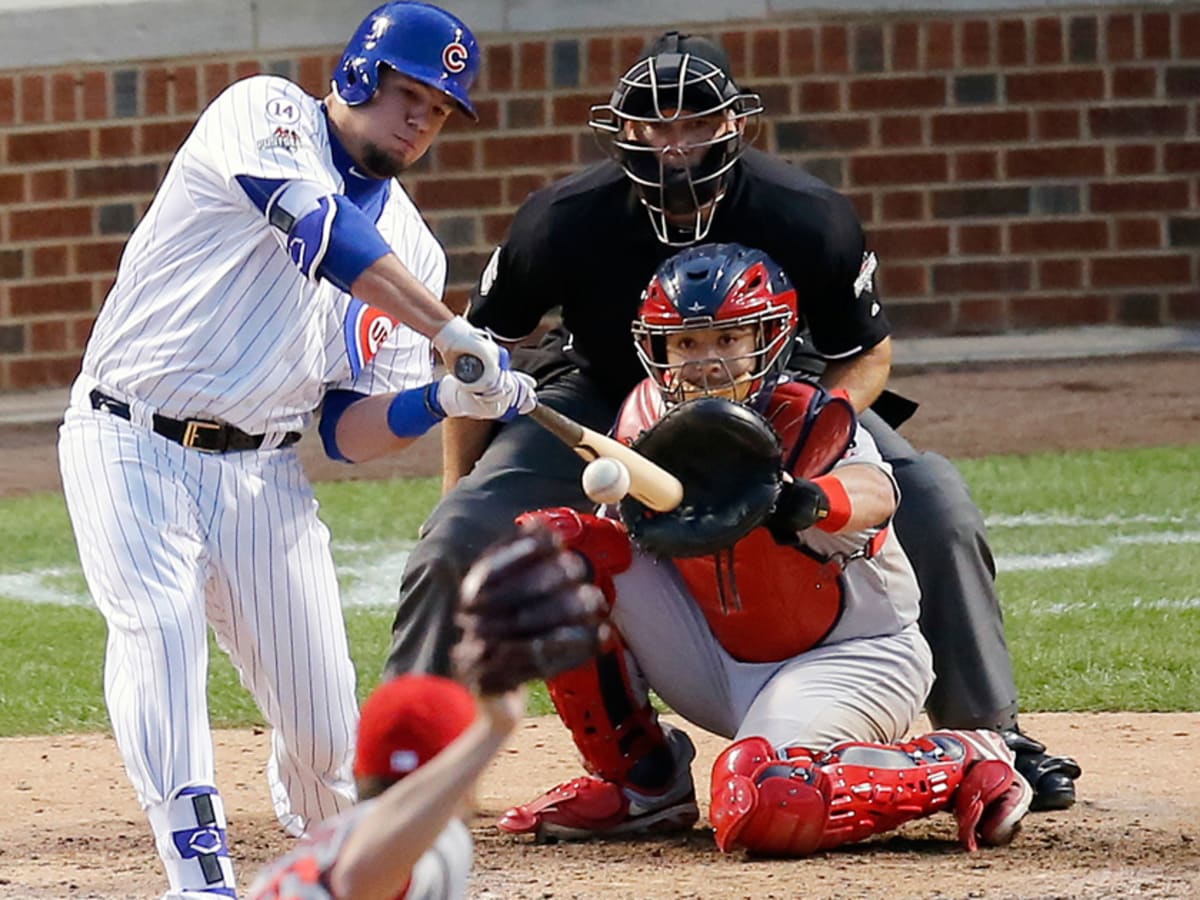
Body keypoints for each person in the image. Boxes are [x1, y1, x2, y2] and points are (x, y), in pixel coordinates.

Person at [382, 28, 1080, 812]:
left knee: (938, 501)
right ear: (623, 131)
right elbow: (482, 358)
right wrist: (455, 488)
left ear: (735, 125)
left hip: (775, 393)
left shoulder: (806, 213)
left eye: (693, 123)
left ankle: (992, 735)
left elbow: (868, 352)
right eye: (654, 125)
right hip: (603, 396)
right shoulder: (562, 218)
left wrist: (818, 431)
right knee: (457, 536)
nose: (673, 145)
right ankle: (413, 756)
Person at [56, 4, 536, 898]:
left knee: (324, 733)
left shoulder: (417, 254)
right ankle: (197, 879)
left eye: (438, 109)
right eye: (407, 93)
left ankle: (330, 847)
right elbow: (324, 238)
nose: (419, 119)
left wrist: (443, 394)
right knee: (159, 634)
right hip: (129, 435)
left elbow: (343, 435)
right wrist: (450, 333)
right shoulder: (263, 112)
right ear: (357, 75)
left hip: (263, 472)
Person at [500, 242, 1032, 854]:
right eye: (688, 344)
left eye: (728, 341)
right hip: (714, 650)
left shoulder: (812, 420)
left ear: (768, 339)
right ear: (659, 350)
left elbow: (876, 494)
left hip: (850, 656)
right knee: (555, 550)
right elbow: (608, 558)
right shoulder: (643, 420)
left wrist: (798, 501)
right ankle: (641, 783)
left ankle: (960, 761)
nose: (707, 365)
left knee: (765, 800)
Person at [248, 521, 606, 899]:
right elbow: (359, 878)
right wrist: (492, 731)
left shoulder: (329, 841)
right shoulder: (425, 847)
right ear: (463, 781)